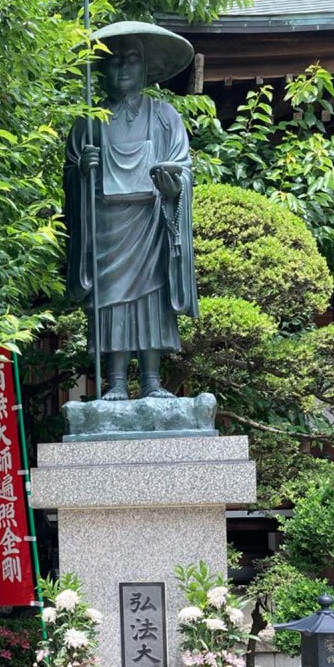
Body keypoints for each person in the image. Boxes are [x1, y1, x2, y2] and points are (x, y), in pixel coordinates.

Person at [64, 21, 198, 400]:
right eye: (114, 61)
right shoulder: (88, 122)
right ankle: (117, 381)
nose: (122, 68)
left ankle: (153, 380)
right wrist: (83, 171)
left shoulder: (164, 116)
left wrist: (173, 185)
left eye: (131, 59)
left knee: (152, 299)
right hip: (106, 226)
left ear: (146, 67)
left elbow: (183, 168)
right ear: (102, 70)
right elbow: (72, 178)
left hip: (151, 223)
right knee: (111, 302)